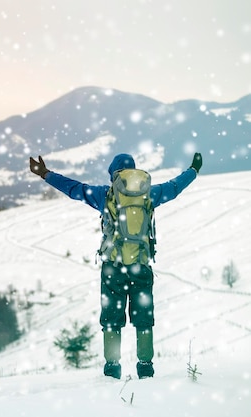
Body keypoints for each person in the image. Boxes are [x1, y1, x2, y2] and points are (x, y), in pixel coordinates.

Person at [29, 152, 202, 379]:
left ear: (113, 174)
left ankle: (112, 369)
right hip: (141, 265)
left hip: (113, 267)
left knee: (111, 320)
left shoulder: (105, 195)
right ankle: (145, 367)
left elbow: (74, 188)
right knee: (143, 319)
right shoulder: (150, 193)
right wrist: (194, 170)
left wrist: (45, 174)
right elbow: (175, 186)